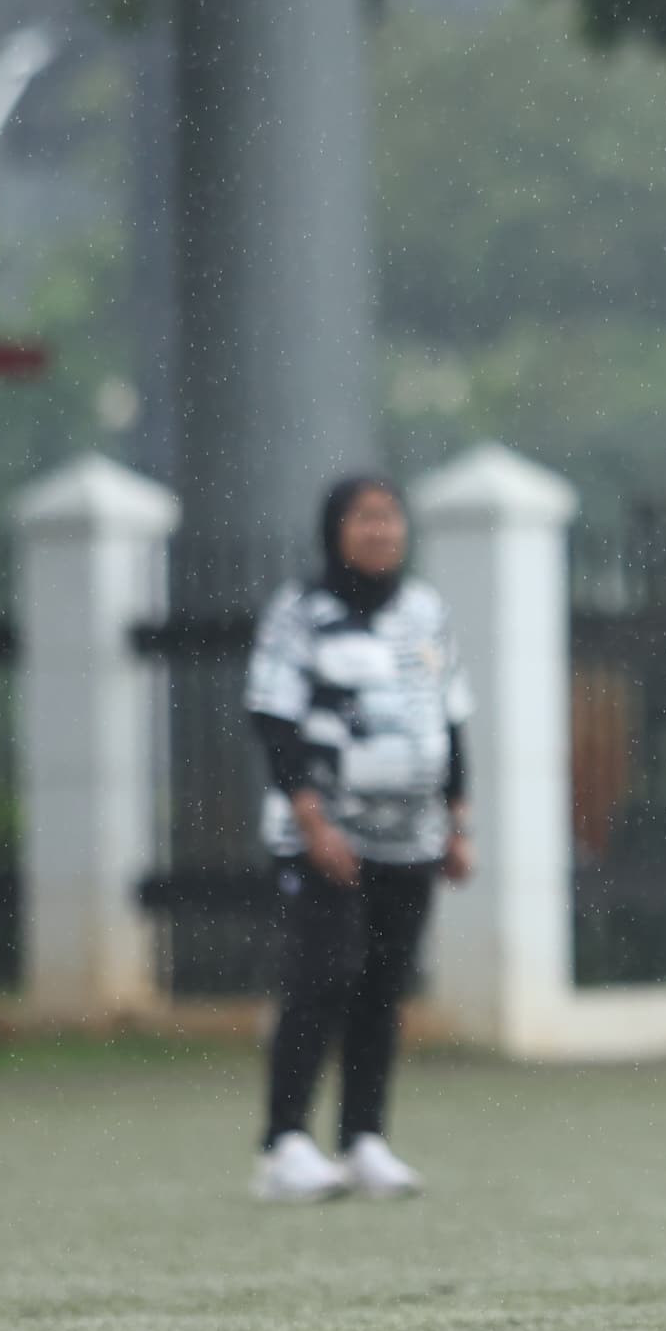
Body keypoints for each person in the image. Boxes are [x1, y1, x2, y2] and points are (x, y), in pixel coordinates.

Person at [246, 474, 474, 1203]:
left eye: (390, 518)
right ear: (335, 529)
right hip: (328, 839)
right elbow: (273, 720)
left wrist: (457, 821)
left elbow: (452, 716)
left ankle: (363, 1138)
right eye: (364, 518)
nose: (381, 531)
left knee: (383, 985)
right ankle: (284, 1143)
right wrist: (313, 821)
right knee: (320, 980)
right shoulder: (302, 612)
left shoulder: (425, 611)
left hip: (410, 840)